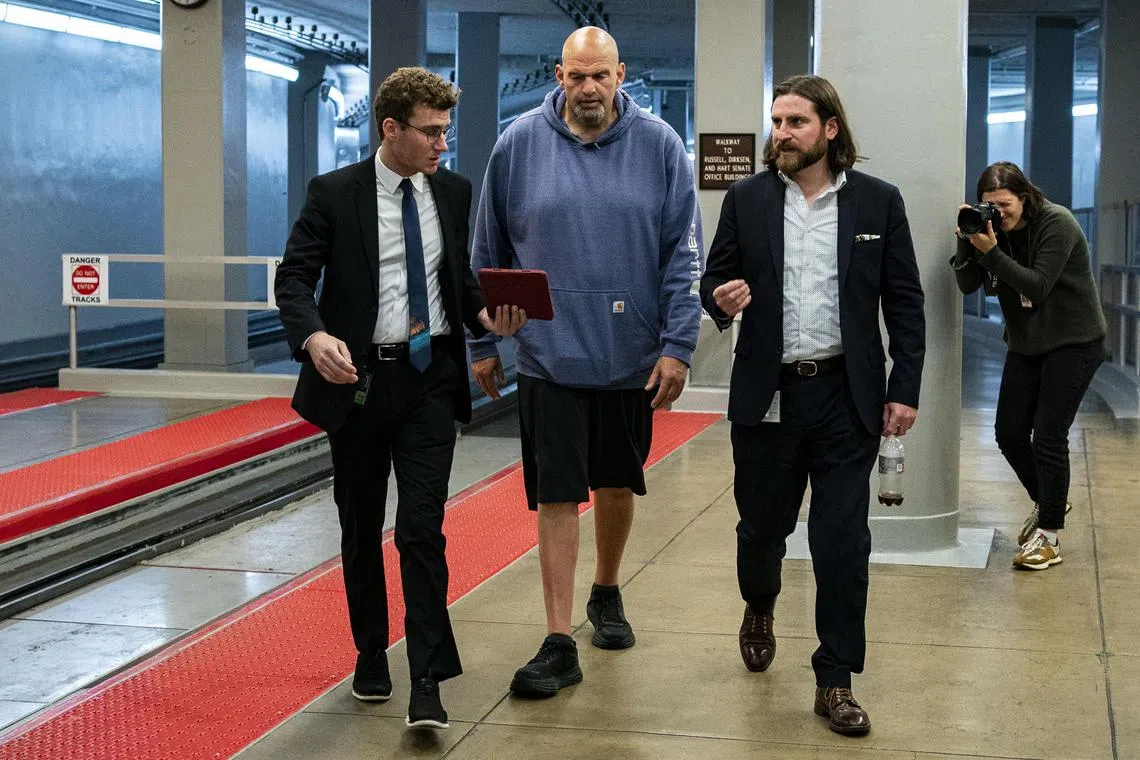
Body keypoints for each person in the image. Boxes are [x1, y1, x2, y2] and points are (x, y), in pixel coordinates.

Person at [275, 67, 524, 730]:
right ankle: (369, 652)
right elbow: (294, 279)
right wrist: (314, 337)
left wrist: (487, 318)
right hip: (357, 383)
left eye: (446, 131)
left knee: (421, 527)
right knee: (361, 526)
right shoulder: (335, 194)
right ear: (390, 129)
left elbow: (456, 281)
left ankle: (427, 677)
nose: (443, 144)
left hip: (429, 379)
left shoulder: (452, 191)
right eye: (431, 132)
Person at [467, 26, 703, 697]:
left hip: (631, 357)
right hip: (548, 356)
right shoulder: (518, 144)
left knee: (617, 483)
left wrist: (678, 346)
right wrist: (481, 344)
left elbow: (682, 255)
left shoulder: (660, 145)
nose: (590, 88)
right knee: (557, 492)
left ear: (621, 75)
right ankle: (557, 639)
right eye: (578, 76)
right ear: (559, 76)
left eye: (601, 75)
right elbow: (486, 251)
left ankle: (606, 589)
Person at [699, 74, 925, 736]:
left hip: (844, 396)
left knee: (841, 542)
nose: (781, 133)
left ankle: (836, 679)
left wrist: (905, 387)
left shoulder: (878, 202)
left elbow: (904, 301)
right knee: (760, 529)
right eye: (776, 121)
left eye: (795, 122)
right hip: (767, 394)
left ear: (829, 128)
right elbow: (714, 279)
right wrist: (721, 299)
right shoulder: (747, 199)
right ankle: (760, 602)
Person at [952, 161, 1105, 570]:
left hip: (1074, 341)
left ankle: (1049, 536)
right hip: (1026, 344)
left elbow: (1036, 285)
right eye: (990, 205)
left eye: (1005, 204)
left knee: (1049, 435)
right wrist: (968, 242)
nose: (999, 213)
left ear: (1024, 196)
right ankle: (1050, 499)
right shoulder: (991, 230)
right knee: (1008, 432)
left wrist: (991, 252)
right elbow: (967, 286)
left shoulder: (1057, 223)